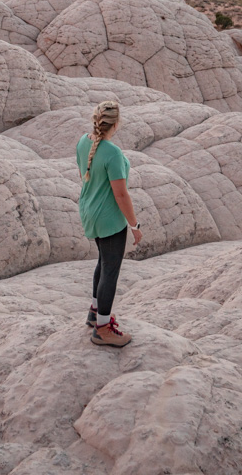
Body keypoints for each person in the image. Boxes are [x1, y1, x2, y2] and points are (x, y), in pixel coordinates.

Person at [76, 99, 142, 347]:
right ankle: (103, 329)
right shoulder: (112, 153)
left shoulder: (84, 141)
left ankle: (95, 313)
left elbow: (87, 175)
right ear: (116, 123)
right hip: (108, 218)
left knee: (103, 262)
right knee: (110, 269)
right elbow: (121, 194)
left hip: (89, 210)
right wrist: (134, 225)